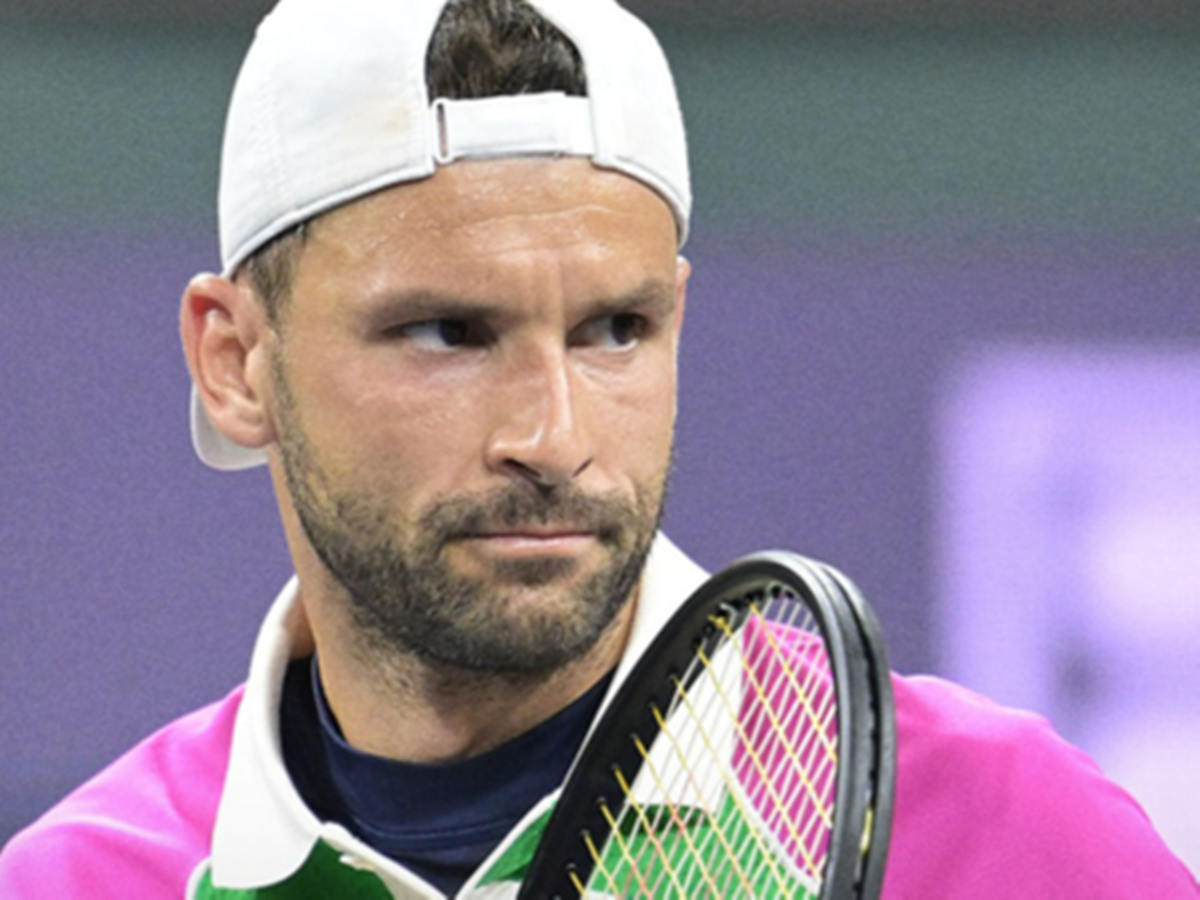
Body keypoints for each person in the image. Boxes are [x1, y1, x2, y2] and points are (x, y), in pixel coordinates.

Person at [1, 0, 1196, 896]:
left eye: (616, 329)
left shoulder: (1007, 833)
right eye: (446, 333)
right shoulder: (79, 882)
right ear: (235, 361)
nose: (554, 437)